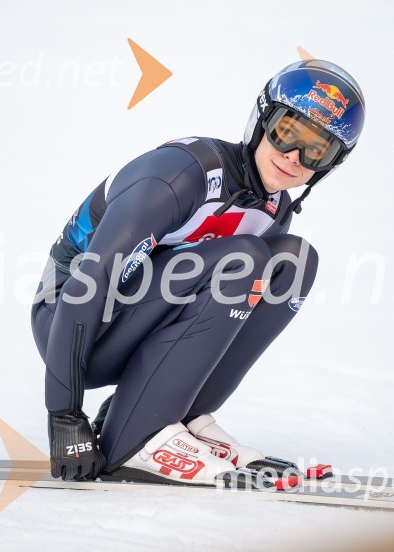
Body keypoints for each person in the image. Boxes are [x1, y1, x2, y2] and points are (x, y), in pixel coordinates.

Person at [31, 59, 365, 484]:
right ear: (261, 121)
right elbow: (87, 286)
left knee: (293, 261)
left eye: (317, 149)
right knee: (244, 257)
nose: (294, 157)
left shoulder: (273, 209)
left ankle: (180, 420)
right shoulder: (181, 176)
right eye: (287, 133)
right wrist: (64, 415)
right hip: (69, 321)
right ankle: (138, 438)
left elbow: (212, 316)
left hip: (133, 323)